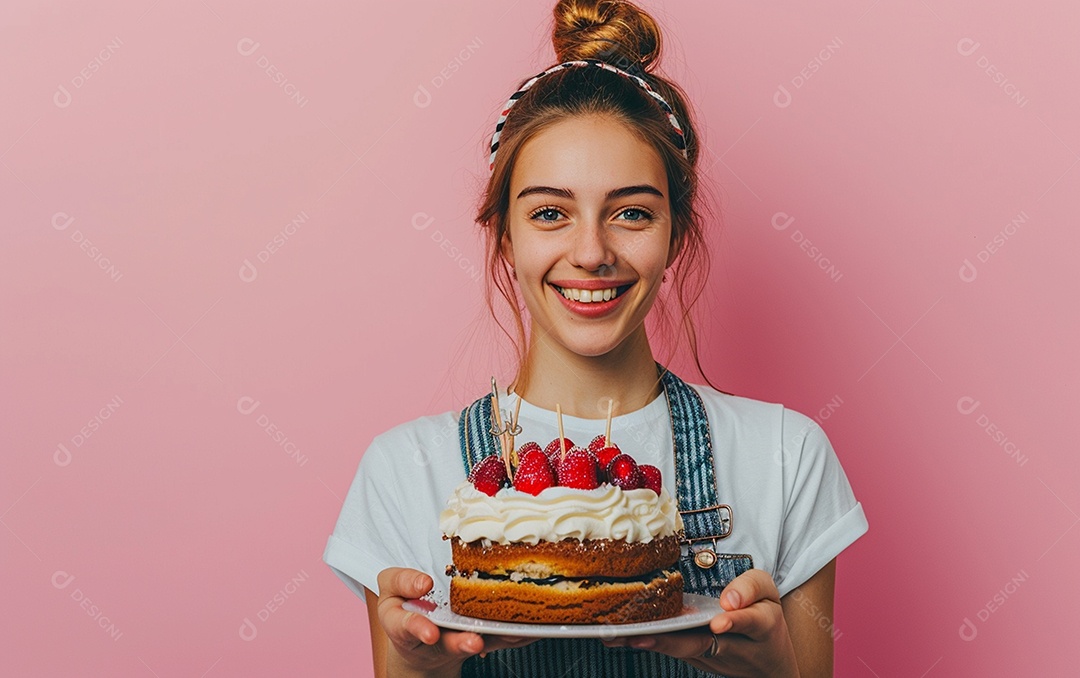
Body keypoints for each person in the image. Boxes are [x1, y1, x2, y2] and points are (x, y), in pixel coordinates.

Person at [322, 1, 868, 675]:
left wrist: (773, 668)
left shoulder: (786, 458)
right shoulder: (404, 471)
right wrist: (419, 670)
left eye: (631, 213)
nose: (590, 253)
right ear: (504, 236)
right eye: (550, 213)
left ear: (675, 235)